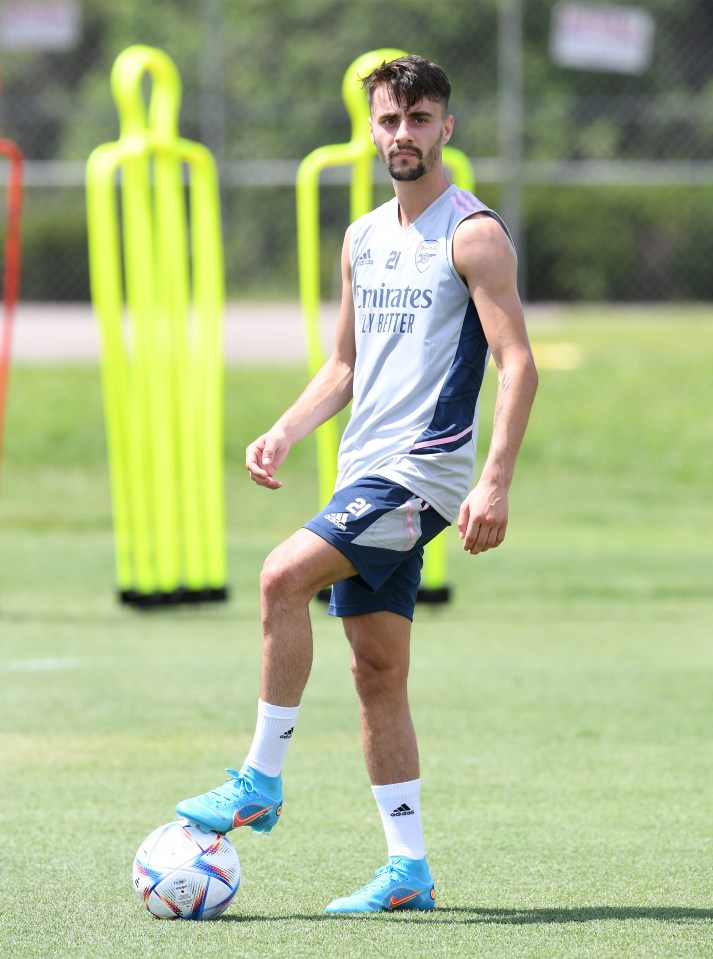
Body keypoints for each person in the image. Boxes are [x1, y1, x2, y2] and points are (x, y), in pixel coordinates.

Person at [176, 54, 538, 913]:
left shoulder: (472, 233)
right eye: (389, 120)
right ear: (371, 128)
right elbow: (343, 363)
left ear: (445, 126)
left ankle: (258, 780)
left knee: (278, 575)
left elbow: (516, 361)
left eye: (419, 119)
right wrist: (283, 430)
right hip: (364, 468)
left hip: (419, 475)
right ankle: (407, 868)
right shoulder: (363, 237)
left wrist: (492, 482)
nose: (402, 135)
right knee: (375, 670)